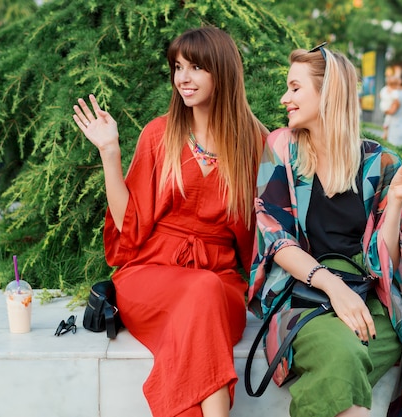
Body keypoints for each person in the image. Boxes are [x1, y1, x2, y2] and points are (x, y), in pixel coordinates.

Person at [72, 27, 266, 417]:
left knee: (207, 290)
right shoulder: (159, 133)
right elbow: (130, 224)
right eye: (177, 67)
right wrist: (110, 152)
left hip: (220, 283)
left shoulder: (255, 142)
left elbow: (263, 234)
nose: (183, 78)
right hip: (152, 275)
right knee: (202, 291)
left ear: (223, 71)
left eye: (195, 67)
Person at [248, 44, 402, 417]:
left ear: (328, 92)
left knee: (344, 358)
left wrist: (397, 198)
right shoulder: (281, 149)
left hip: (368, 301)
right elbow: (275, 238)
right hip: (301, 296)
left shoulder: (381, 163)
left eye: (295, 88)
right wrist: (333, 289)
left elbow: (383, 262)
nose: (285, 98)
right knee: (343, 353)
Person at [378, 75, 400, 140]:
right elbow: (397, 100)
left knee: (387, 117)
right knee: (389, 118)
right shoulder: (394, 91)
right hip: (389, 107)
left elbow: (379, 96)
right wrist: (398, 105)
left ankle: (385, 130)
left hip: (383, 106)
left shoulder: (384, 89)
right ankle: (385, 130)